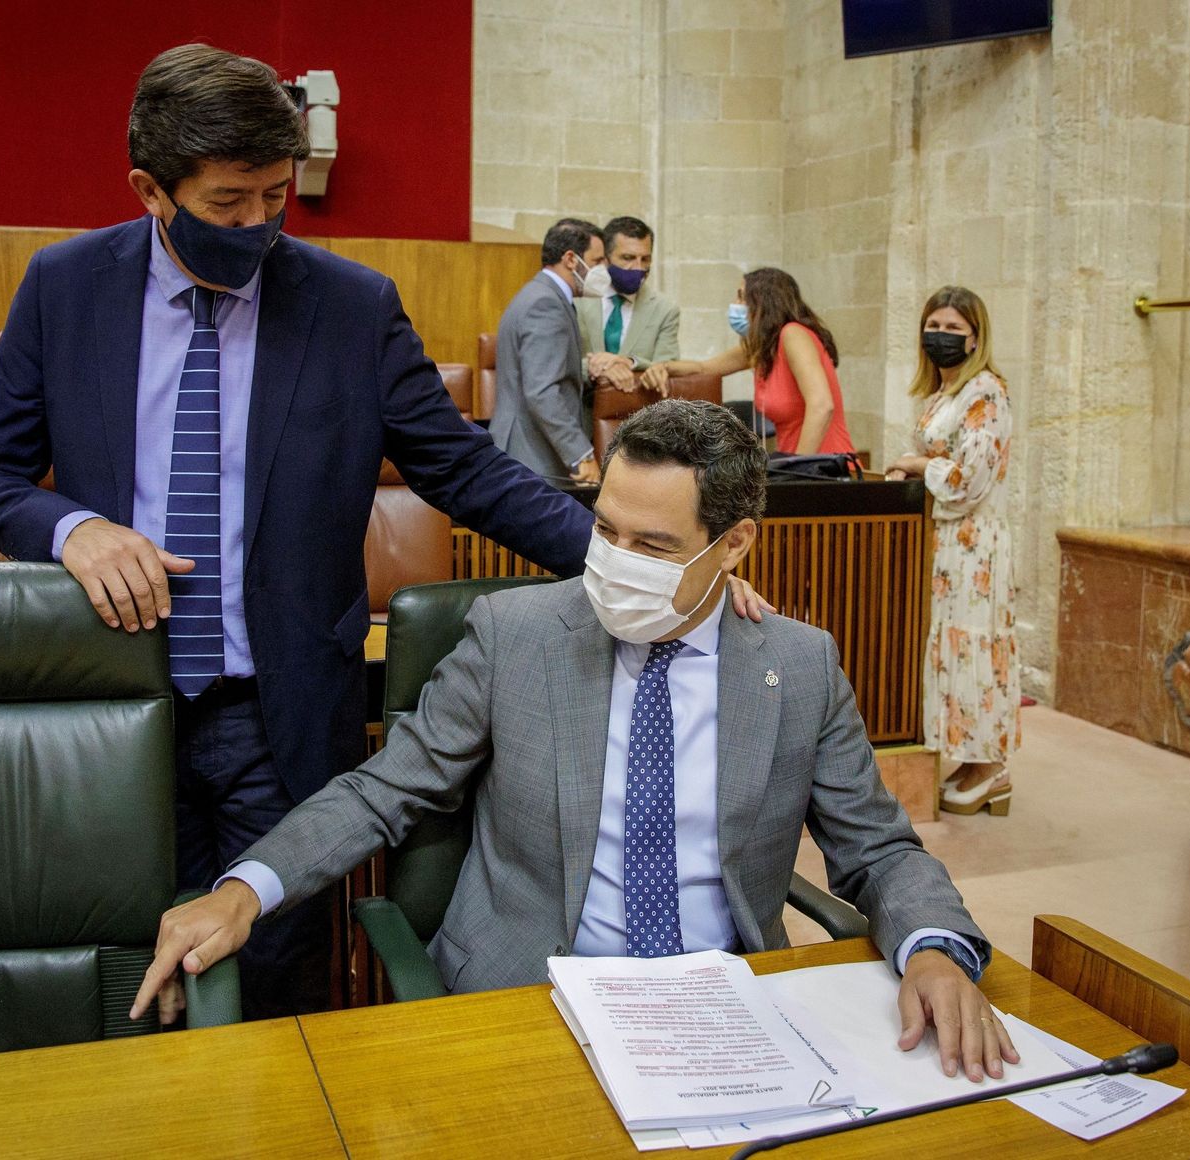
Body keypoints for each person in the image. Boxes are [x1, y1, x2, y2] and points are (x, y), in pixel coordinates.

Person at [0, 45, 608, 1021]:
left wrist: (631, 562)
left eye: (275, 194)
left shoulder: (350, 305)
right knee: (130, 981)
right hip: (120, 702)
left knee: (274, 987)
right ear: (148, 189)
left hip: (285, 708)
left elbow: (461, 470)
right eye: (227, 202)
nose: (257, 222)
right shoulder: (65, 287)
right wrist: (73, 527)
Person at [134, 399, 1019, 1085]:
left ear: (735, 545)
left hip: (721, 1009)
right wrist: (246, 890)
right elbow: (384, 789)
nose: (616, 561)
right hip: (533, 997)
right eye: (606, 530)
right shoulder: (512, 635)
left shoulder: (799, 665)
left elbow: (878, 848)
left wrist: (936, 945)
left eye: (654, 544)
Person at [885, 287, 1019, 816]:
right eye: (933, 323)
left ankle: (992, 767)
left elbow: (970, 481)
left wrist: (917, 467)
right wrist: (904, 465)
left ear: (975, 337)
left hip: (973, 546)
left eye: (953, 327)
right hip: (943, 545)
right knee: (949, 649)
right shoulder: (943, 394)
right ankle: (968, 757)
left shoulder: (986, 392)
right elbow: (928, 452)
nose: (940, 334)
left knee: (974, 646)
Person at [645, 267, 855, 456]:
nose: (735, 305)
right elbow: (704, 368)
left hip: (823, 467)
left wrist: (797, 468)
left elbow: (822, 405)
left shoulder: (793, 335)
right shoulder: (762, 348)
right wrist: (661, 367)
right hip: (796, 466)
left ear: (763, 302)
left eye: (741, 297)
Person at [490, 218, 606, 486]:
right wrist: (582, 455)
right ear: (571, 259)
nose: (603, 270)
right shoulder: (546, 304)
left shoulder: (540, 294)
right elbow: (542, 391)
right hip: (531, 459)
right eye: (598, 261)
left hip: (529, 455)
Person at [575, 215, 680, 395]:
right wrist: (596, 367)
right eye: (627, 257)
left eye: (645, 259)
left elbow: (666, 367)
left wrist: (628, 362)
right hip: (580, 413)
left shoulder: (665, 309)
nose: (638, 267)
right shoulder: (578, 300)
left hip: (635, 413)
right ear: (605, 258)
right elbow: (556, 363)